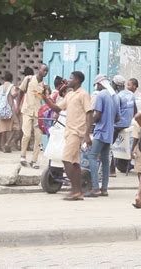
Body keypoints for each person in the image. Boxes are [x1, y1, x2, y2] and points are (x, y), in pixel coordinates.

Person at [40, 71, 93, 201]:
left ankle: (75, 190)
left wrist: (87, 134)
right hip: (68, 132)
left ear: (78, 81)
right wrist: (45, 98)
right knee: (74, 163)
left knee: (66, 159)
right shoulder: (70, 95)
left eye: (71, 78)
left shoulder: (83, 94)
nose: (68, 80)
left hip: (77, 131)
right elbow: (58, 108)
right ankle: (78, 191)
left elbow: (89, 113)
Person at [84, 75, 119, 197]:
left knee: (92, 156)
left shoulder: (101, 95)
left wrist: (88, 125)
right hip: (110, 132)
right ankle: (104, 189)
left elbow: (97, 114)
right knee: (105, 161)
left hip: (100, 131)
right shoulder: (115, 96)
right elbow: (118, 117)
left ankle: (95, 188)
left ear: (99, 84)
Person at [18, 64, 49, 169]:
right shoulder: (28, 79)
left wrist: (46, 91)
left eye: (46, 71)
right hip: (27, 110)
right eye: (43, 70)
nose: (45, 72)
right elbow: (21, 92)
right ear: (39, 70)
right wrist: (18, 106)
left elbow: (46, 100)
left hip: (38, 113)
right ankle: (23, 156)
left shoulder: (44, 85)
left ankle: (34, 160)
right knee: (26, 134)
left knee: (38, 137)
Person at [0, 71, 19, 153]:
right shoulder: (12, 87)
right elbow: (13, 95)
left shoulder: (0, 87)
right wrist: (17, 92)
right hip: (10, 110)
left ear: (4, 79)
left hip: (1, 110)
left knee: (3, 130)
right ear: (12, 79)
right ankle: (7, 143)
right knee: (16, 128)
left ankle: (3, 147)